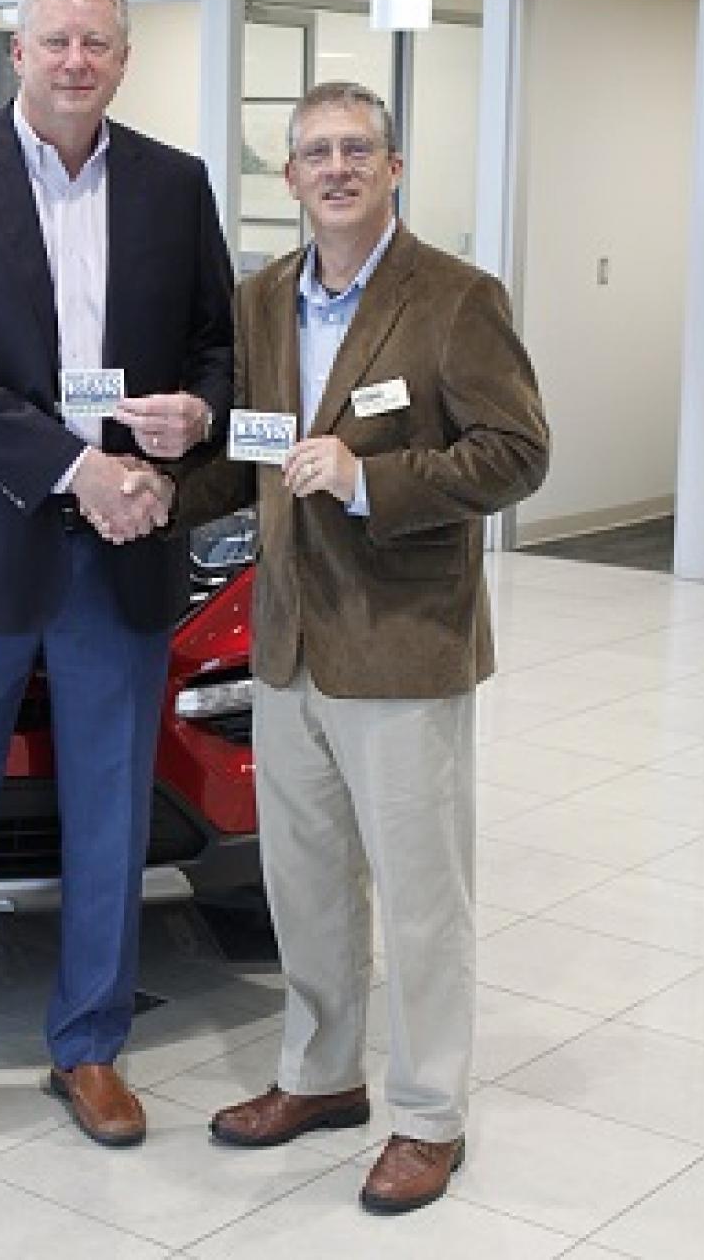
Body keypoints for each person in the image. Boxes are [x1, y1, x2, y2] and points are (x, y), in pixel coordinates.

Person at [152, 81, 548, 1215]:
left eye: (355, 150)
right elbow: (248, 456)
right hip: (286, 647)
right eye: (313, 152)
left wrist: (373, 481)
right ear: (286, 178)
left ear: (392, 167)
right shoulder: (263, 298)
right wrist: (151, 491)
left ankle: (428, 1116)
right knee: (306, 885)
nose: (334, 168)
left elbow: (516, 452)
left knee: (422, 897)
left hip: (403, 640)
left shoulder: (456, 299)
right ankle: (320, 1078)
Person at [0, 0, 232, 1158]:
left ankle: (89, 1047)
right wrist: (80, 469)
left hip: (122, 550)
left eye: (96, 42)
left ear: (121, 60)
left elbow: (214, 349)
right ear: (16, 53)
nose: (75, 59)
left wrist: (190, 424)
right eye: (54, 40)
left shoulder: (175, 187)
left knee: (106, 815)